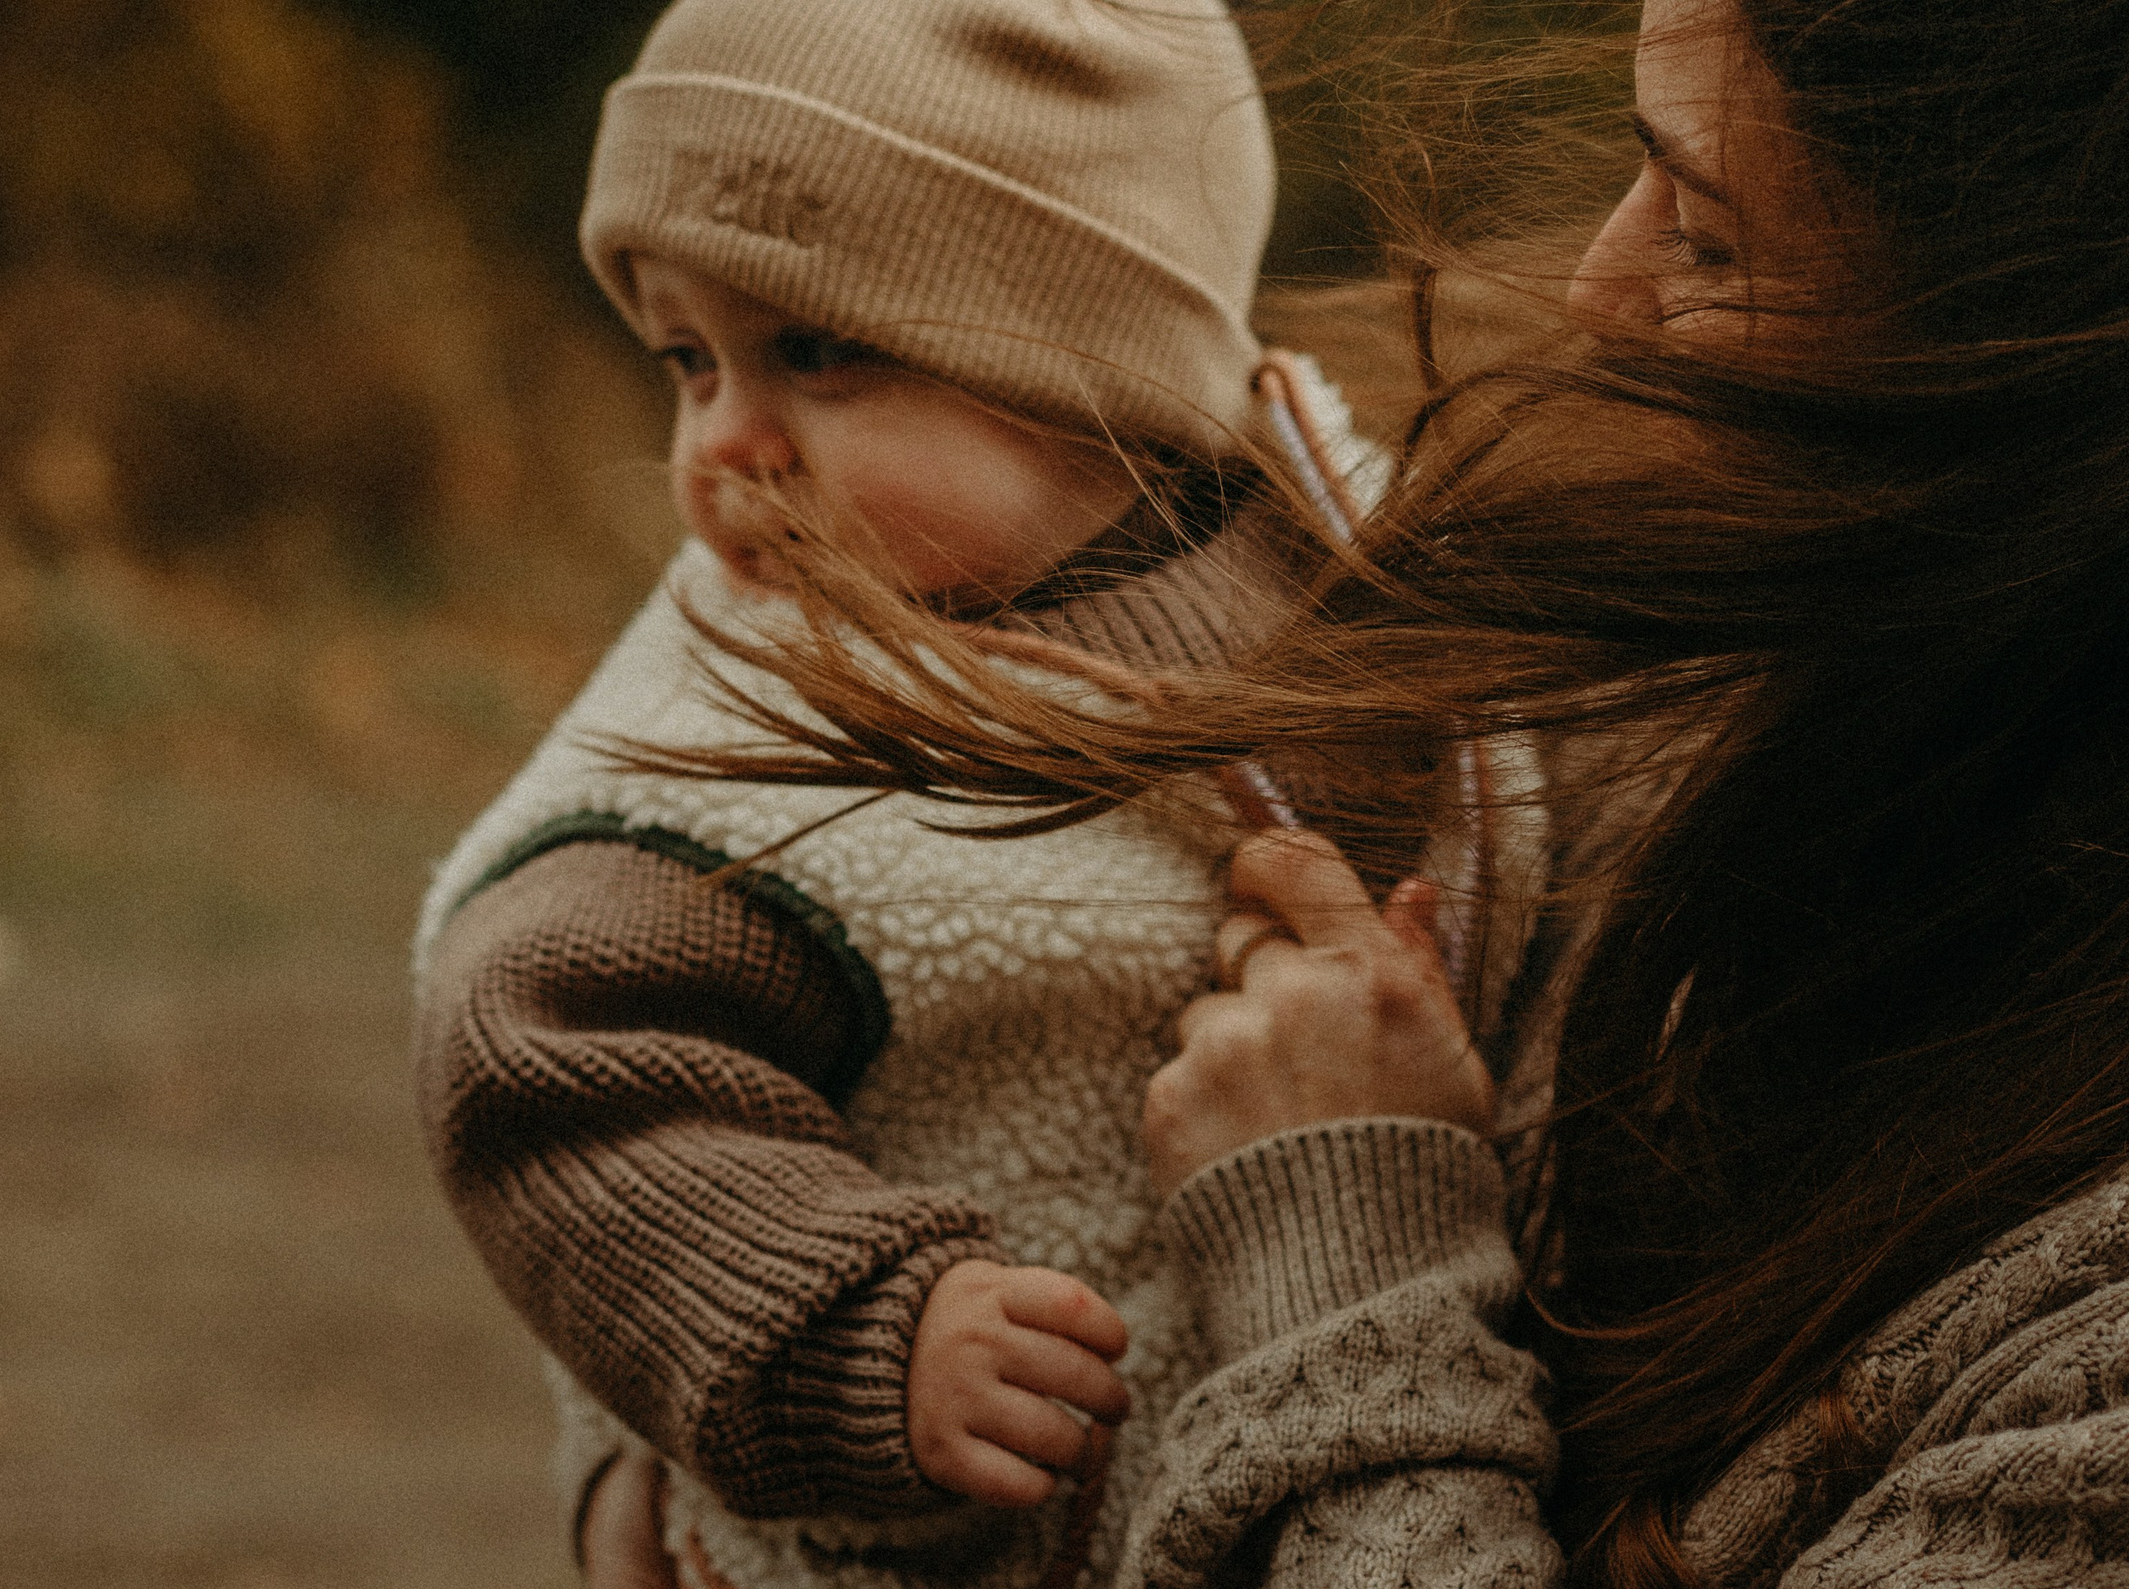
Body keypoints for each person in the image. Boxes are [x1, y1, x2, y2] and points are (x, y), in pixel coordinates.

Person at [576, 0, 2129, 1582]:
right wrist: (697, 1431)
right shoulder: (1690, 697)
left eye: (1704, 228)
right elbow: (624, 1092)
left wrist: (1348, 1266)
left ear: (2058, 349)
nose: (1596, 292)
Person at [411, 3, 1521, 1587]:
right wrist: (868, 1327)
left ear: (1089, 362)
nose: (723, 441)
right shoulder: (751, 740)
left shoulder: (1359, 585)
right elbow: (540, 1062)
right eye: (687, 362)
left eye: (814, 350)